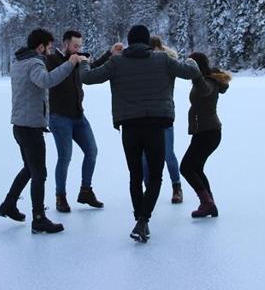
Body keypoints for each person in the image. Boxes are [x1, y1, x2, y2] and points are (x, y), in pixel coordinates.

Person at [80, 24, 200, 243]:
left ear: (129, 40)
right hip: (156, 126)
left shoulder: (116, 62)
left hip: (130, 127)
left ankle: (140, 220)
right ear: (147, 42)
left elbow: (87, 78)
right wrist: (192, 60)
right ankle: (143, 220)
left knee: (135, 176)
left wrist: (84, 61)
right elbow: (191, 72)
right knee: (155, 176)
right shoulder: (162, 59)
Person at [0, 28, 88, 234]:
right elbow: (46, 81)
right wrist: (69, 64)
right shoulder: (35, 63)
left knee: (30, 169)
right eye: (48, 46)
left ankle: (9, 204)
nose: (50, 50)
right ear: (40, 46)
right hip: (30, 128)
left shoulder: (19, 62)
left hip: (20, 126)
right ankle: (38, 218)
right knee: (40, 174)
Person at [46, 30, 120, 212]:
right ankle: (60, 197)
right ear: (65, 44)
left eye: (80, 46)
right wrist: (70, 63)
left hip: (78, 115)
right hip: (59, 117)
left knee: (92, 151)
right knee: (65, 157)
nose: (78, 49)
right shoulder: (52, 59)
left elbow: (92, 69)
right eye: (75, 46)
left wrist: (110, 54)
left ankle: (85, 191)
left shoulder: (78, 60)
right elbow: (51, 78)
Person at [180, 52, 231, 218]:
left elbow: (204, 90)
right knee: (196, 168)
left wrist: (194, 73)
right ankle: (210, 204)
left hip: (208, 132)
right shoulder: (206, 79)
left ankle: (207, 203)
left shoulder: (208, 81)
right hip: (204, 131)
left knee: (186, 168)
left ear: (197, 66)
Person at [141, 35, 184, 204]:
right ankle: (148, 188)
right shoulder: (142, 65)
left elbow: (185, 71)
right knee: (145, 156)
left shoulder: (167, 62)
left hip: (164, 114)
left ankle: (176, 186)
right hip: (145, 115)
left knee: (167, 153)